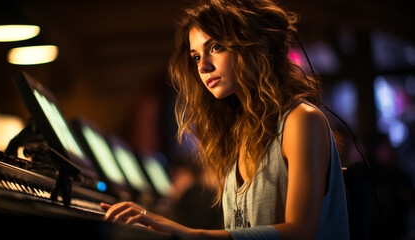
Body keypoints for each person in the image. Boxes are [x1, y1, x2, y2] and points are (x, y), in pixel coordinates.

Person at [101, 0, 350, 239]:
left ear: (258, 43)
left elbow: (300, 233)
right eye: (196, 56)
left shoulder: (301, 120)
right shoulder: (238, 133)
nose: (203, 67)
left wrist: (190, 234)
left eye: (216, 47)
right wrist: (168, 227)